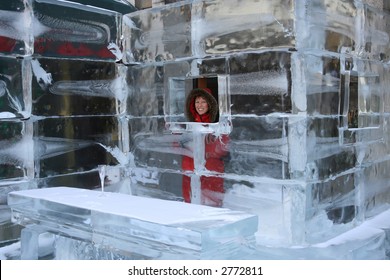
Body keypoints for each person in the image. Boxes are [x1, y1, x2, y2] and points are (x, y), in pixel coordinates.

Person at [181, 88, 229, 207]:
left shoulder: (218, 123)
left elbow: (222, 147)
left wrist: (203, 147)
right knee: (189, 204)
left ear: (209, 103)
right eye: (197, 102)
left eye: (203, 101)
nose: (200, 105)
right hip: (189, 170)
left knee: (211, 207)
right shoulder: (187, 124)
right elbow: (178, 144)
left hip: (211, 171)